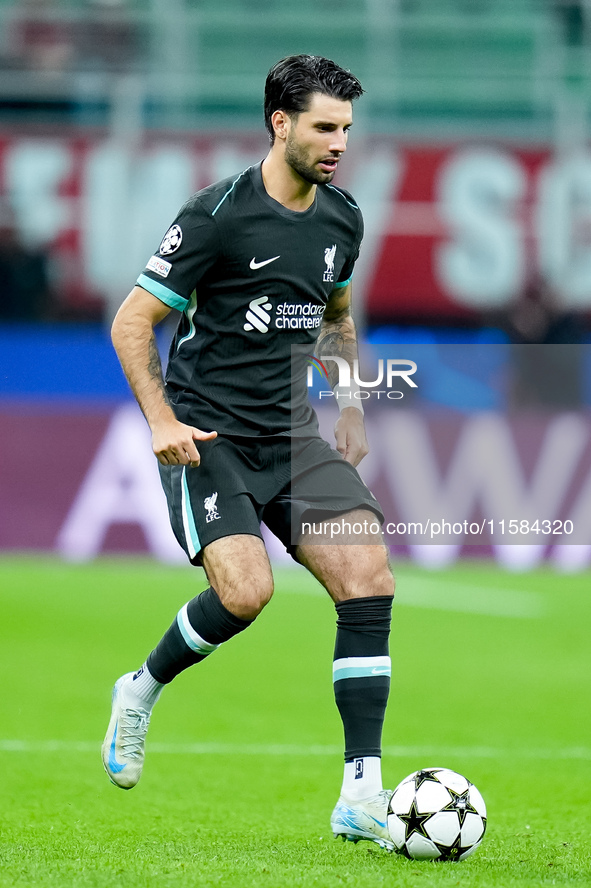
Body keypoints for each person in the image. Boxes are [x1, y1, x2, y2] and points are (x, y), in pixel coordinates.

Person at [102, 54, 396, 852]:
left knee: (367, 577)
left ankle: (360, 795)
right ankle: (141, 687)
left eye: (346, 128)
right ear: (281, 123)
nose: (340, 142)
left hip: (293, 436)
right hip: (211, 439)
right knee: (244, 593)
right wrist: (161, 421)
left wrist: (350, 402)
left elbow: (334, 314)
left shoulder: (342, 218)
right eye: (324, 127)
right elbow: (132, 322)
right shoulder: (216, 216)